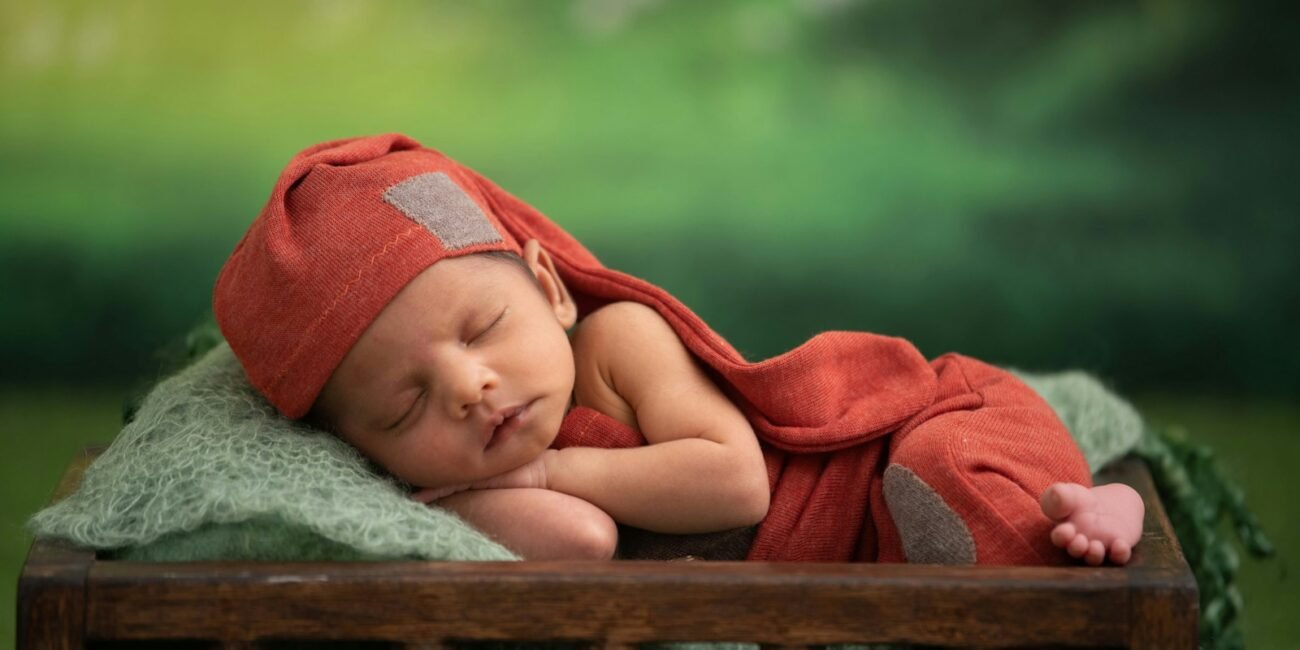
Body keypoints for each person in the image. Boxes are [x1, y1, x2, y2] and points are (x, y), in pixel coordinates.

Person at [214, 134, 1144, 564]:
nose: (468, 387)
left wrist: (543, 477)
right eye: (402, 407)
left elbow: (737, 485)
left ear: (546, 288)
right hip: (866, 551)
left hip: (913, 434)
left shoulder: (619, 345)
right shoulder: (457, 483)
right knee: (938, 556)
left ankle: (1090, 506)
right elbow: (581, 543)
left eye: (482, 329)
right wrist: (501, 501)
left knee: (942, 488)